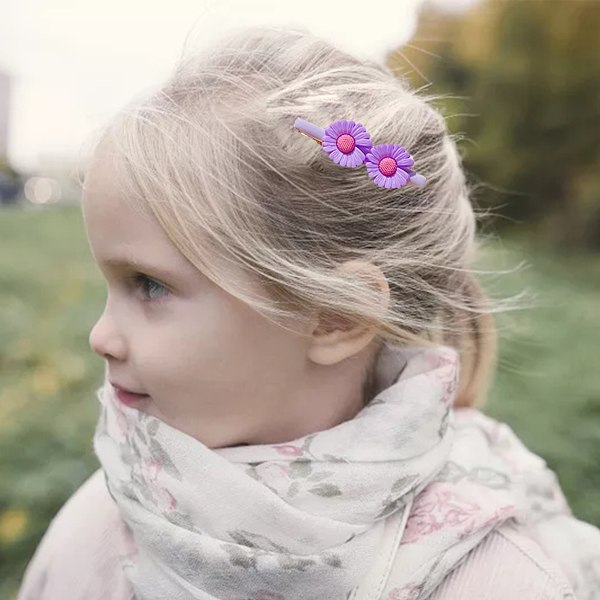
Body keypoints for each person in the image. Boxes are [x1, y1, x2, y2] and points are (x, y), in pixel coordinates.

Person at [17, 25, 600, 600]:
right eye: (112, 285)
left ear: (334, 318)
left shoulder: (495, 579)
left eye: (149, 286)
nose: (100, 336)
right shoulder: (108, 513)